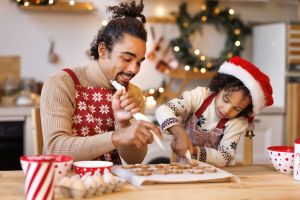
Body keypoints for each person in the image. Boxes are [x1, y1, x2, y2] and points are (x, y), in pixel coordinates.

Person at [40, 0, 162, 164]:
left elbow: (135, 160)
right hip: (66, 183)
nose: (134, 69)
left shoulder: (133, 94)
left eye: (139, 62)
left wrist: (123, 123)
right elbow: (55, 149)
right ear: (103, 50)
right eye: (127, 58)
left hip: (112, 185)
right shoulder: (62, 83)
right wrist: (117, 136)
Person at [155, 56, 273, 167]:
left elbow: (224, 157)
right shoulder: (200, 96)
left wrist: (194, 150)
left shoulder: (238, 122)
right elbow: (164, 109)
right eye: (226, 99)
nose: (227, 110)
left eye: (237, 109)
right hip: (180, 168)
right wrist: (180, 133)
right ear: (220, 86)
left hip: (216, 174)